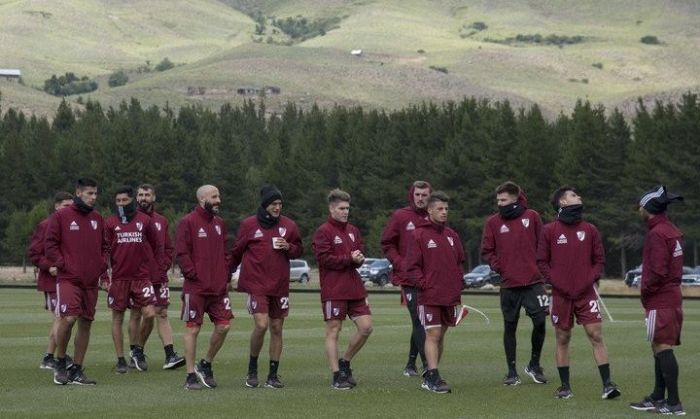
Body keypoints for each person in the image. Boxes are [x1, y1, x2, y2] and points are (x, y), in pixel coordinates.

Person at [536, 186, 620, 400]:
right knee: (563, 338)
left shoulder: (590, 229)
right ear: (563, 202)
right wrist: (557, 282)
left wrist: (588, 279)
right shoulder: (549, 230)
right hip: (561, 295)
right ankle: (565, 387)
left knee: (596, 335)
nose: (579, 197)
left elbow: (599, 260)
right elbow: (542, 262)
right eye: (573, 195)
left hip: (586, 293)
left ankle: (608, 385)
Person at [230, 185, 303, 389]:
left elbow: (299, 249)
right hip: (257, 284)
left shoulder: (289, 225)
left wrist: (289, 247)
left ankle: (273, 375)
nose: (277, 207)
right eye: (273, 204)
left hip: (279, 285)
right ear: (265, 205)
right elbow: (236, 252)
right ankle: (252, 369)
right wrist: (227, 274)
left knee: (277, 328)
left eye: (280, 204)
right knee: (261, 325)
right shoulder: (249, 225)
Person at [481, 181, 548, 386]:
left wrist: (539, 268)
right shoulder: (493, 223)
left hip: (533, 281)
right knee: (510, 326)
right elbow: (487, 251)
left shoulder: (532, 217)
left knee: (540, 321)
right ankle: (511, 372)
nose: (500, 204)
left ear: (515, 199)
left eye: (503, 200)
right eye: (498, 200)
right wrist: (499, 266)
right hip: (509, 284)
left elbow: (543, 244)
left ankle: (534, 365)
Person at [44, 178, 108, 385]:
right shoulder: (62, 216)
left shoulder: (97, 218)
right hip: (69, 278)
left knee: (86, 323)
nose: (94, 197)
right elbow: (50, 244)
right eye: (90, 193)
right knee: (68, 318)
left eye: (96, 193)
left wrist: (102, 268)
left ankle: (77, 370)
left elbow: (105, 247)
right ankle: (60, 362)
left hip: (91, 281)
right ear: (78, 193)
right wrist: (63, 264)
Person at [629, 185, 685, 415]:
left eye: (641, 206)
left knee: (662, 347)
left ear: (649, 208)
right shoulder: (671, 229)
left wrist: (645, 291)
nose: (639, 210)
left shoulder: (657, 233)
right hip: (672, 296)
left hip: (660, 298)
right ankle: (657, 397)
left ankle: (673, 403)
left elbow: (657, 272)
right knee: (659, 348)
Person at [405, 191, 465, 394]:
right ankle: (433, 375)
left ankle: (431, 375)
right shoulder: (419, 234)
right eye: (440, 208)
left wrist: (458, 284)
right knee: (433, 333)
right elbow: (412, 266)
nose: (444, 212)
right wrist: (424, 284)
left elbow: (459, 263)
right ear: (429, 210)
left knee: (441, 335)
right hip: (429, 295)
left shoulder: (452, 235)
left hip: (449, 295)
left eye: (446, 209)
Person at [312, 189, 373, 390]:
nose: (345, 212)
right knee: (333, 330)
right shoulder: (323, 231)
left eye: (347, 208)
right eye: (341, 208)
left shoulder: (353, 230)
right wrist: (349, 259)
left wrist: (359, 258)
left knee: (366, 328)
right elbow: (324, 259)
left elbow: (358, 253)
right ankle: (337, 375)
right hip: (334, 289)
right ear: (331, 209)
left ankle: (345, 362)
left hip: (354, 288)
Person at [176, 185, 233, 390]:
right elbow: (182, 253)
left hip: (218, 289)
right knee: (193, 329)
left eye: (219, 195)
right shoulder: (187, 222)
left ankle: (205, 363)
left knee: (224, 326)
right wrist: (194, 275)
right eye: (214, 196)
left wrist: (225, 275)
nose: (219, 200)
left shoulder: (220, 223)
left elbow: (227, 253)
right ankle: (190, 376)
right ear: (202, 199)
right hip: (196, 288)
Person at [101, 186, 164, 373]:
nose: (121, 204)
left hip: (141, 278)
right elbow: (104, 250)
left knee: (150, 314)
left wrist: (156, 270)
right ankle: (121, 359)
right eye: (118, 201)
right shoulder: (110, 223)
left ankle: (137, 350)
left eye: (124, 201)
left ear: (132, 201)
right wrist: (105, 275)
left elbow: (155, 245)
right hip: (119, 279)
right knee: (117, 318)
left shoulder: (144, 220)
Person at [126, 184, 184, 370]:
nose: (143, 198)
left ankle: (170, 355)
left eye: (147, 195)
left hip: (158, 276)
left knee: (162, 313)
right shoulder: (129, 220)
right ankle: (135, 351)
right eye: (140, 195)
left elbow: (168, 247)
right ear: (136, 198)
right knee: (137, 314)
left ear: (154, 197)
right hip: (136, 276)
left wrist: (164, 265)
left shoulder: (161, 221)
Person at [381, 180, 432, 377]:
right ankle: (428, 365)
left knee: (424, 321)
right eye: (417, 195)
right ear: (412, 195)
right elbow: (387, 243)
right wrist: (400, 263)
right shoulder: (401, 216)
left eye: (424, 195)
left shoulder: (434, 215)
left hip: (429, 279)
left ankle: (411, 363)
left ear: (429, 196)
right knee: (419, 320)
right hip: (409, 278)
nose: (420, 198)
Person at [27, 191, 74, 370]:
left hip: (68, 280)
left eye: (72, 206)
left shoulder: (71, 226)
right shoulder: (46, 225)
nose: (69, 210)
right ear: (57, 206)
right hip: (52, 282)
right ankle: (60, 357)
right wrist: (49, 266)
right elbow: (33, 252)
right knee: (60, 318)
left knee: (60, 319)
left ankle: (48, 358)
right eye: (65, 206)